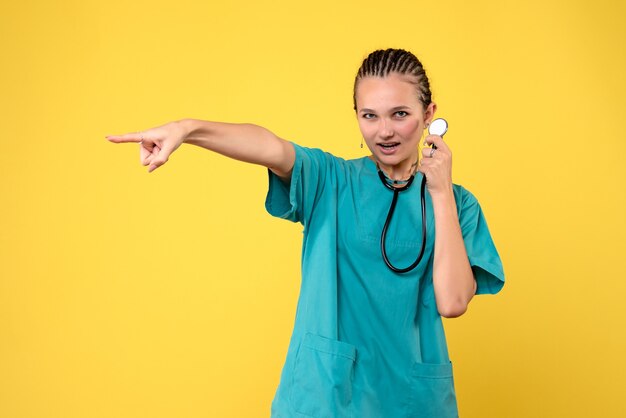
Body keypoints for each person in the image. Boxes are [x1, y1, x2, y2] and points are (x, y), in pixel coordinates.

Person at [106, 48, 505, 418]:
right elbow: (270, 147)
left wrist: (439, 193)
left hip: (410, 400)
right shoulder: (331, 181)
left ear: (429, 112)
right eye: (369, 115)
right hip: (326, 395)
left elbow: (452, 301)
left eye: (400, 114)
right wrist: (187, 129)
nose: (384, 131)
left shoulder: (457, 205)